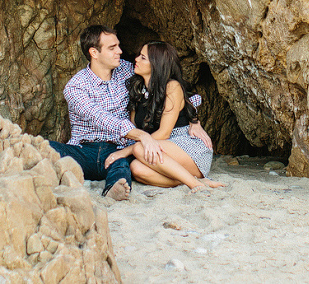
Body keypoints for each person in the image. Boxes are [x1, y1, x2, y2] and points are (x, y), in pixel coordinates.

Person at [49, 25, 212, 200]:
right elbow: (102, 118)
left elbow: (179, 93)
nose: (120, 51)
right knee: (48, 147)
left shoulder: (126, 70)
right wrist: (142, 136)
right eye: (112, 48)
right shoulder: (75, 87)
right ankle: (186, 179)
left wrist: (195, 122)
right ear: (94, 53)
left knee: (122, 168)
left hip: (120, 147)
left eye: (118, 45)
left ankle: (114, 189)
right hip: (84, 148)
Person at [106, 41, 223, 191]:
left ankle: (196, 185)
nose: (136, 59)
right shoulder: (138, 89)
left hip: (185, 146)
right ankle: (190, 180)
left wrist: (126, 151)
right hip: (158, 147)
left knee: (139, 149)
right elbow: (135, 128)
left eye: (143, 57)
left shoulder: (172, 87)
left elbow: (165, 133)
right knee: (136, 169)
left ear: (156, 64)